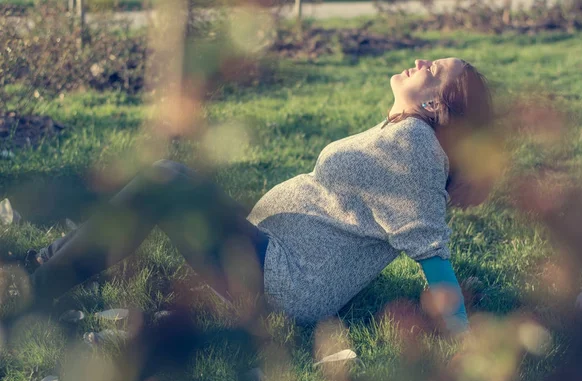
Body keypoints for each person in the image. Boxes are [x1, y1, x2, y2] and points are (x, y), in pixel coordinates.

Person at [19, 57, 494, 335]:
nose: (418, 63)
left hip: (281, 284)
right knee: (166, 185)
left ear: (435, 104)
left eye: (431, 69)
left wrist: (462, 340)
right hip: (276, 261)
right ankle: (43, 265)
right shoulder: (404, 134)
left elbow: (432, 252)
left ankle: (37, 285)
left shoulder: (413, 147)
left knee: (167, 181)